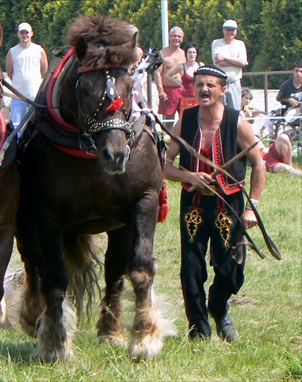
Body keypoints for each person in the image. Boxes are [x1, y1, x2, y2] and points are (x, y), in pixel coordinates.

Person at [164, 65, 266, 342]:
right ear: (193, 88)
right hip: (193, 204)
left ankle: (219, 308)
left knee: (230, 270)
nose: (204, 89)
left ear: (223, 90)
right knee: (191, 268)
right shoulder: (184, 121)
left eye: (210, 85)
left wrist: (251, 206)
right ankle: (199, 329)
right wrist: (189, 176)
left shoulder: (236, 122)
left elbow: (259, 164)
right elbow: (163, 164)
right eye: (199, 84)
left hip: (229, 204)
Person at [5, 22, 48, 129]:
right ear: (18, 34)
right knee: (17, 127)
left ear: (31, 33)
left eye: (26, 33)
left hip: (35, 97)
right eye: (22, 33)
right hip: (18, 97)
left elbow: (44, 72)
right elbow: (10, 72)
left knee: (38, 127)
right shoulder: (12, 52)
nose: (24, 35)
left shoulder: (39, 50)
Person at [211, 20, 248, 110]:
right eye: (228, 29)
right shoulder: (216, 43)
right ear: (223, 30)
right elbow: (218, 61)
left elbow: (243, 63)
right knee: (219, 109)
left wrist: (225, 57)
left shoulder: (240, 44)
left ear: (236, 31)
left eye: (232, 30)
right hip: (220, 82)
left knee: (235, 110)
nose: (230, 32)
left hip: (235, 82)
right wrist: (236, 62)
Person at [154, 26, 186, 127]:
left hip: (183, 91)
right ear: (169, 37)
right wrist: (161, 91)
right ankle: (168, 141)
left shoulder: (185, 54)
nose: (176, 38)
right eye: (174, 36)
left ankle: (181, 141)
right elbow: (157, 73)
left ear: (182, 39)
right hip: (168, 91)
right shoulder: (162, 54)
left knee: (184, 118)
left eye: (179, 36)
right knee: (168, 120)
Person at [164, 43, 204, 116]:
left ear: (196, 54)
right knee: (185, 122)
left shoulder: (201, 65)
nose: (191, 54)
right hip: (186, 99)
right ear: (186, 54)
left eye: (194, 52)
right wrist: (179, 83)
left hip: (199, 99)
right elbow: (168, 75)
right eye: (189, 52)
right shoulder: (181, 66)